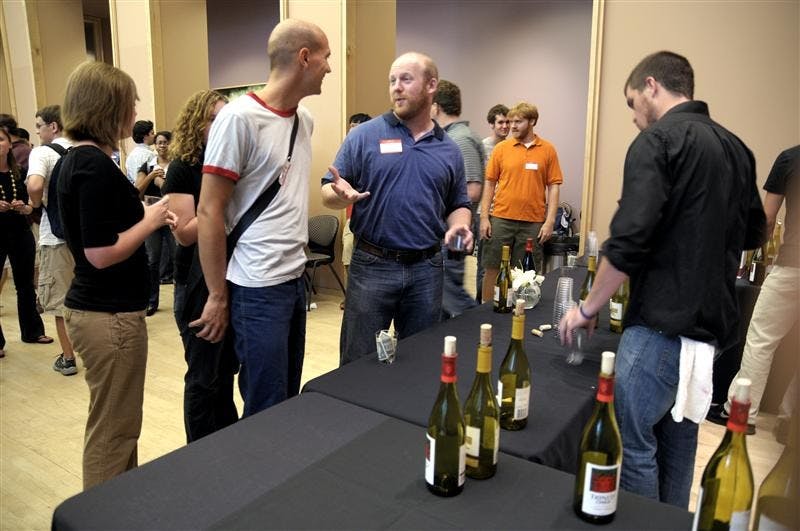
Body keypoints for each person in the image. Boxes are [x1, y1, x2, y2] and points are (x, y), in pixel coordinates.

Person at [559, 51, 766, 508]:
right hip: (708, 333)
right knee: (679, 446)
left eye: (633, 104)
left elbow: (629, 238)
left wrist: (587, 307)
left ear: (651, 86)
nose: (634, 119)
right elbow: (754, 231)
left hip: (660, 326)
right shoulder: (736, 147)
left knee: (632, 444)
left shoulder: (658, 141)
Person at [193, 19, 331, 418]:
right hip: (256, 287)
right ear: (304, 57)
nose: (329, 67)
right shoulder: (238, 119)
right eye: (326, 57)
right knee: (265, 403)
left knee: (287, 395)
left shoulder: (303, 120)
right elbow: (209, 209)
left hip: (293, 279)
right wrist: (218, 296)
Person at [57, 61, 177, 489]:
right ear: (109, 106)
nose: (135, 111)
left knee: (119, 424)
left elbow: (101, 231)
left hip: (103, 312)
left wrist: (141, 216)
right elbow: (100, 254)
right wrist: (152, 219)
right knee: (114, 430)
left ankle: (119, 506)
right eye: (130, 102)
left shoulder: (79, 161)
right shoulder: (91, 164)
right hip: (109, 317)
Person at [321, 51, 472, 365]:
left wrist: (460, 224)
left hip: (427, 269)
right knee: (357, 361)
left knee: (420, 360)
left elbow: (458, 202)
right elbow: (327, 190)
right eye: (392, 81)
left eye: (406, 79)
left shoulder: (449, 149)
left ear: (432, 85)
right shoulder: (364, 136)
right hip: (372, 266)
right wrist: (340, 196)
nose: (396, 87)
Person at [162, 89, 238, 442]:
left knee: (224, 374)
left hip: (228, 278)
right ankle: (199, 453)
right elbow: (185, 235)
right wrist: (220, 206)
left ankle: (226, 444)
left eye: (225, 118)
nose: (220, 125)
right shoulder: (182, 167)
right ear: (196, 123)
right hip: (194, 285)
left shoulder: (232, 163)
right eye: (212, 119)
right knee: (203, 376)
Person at [707, 145, 799, 436]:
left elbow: (767, 220)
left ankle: (740, 412)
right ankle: (789, 422)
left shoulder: (790, 158)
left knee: (761, 339)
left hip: (793, 265)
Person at [480, 101, 563, 302]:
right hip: (501, 218)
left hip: (532, 223)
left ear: (532, 121)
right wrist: (484, 217)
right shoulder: (502, 149)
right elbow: (489, 184)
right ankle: (485, 310)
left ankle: (520, 311)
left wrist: (550, 220)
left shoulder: (548, 150)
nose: (512, 126)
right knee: (493, 266)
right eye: (510, 121)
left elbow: (554, 186)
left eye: (518, 121)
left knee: (527, 271)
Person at [25, 105, 78, 374]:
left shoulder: (42, 153)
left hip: (55, 237)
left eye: (39, 126)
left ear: (53, 127)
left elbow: (34, 186)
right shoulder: (86, 148)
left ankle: (68, 357)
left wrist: (36, 203)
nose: (37, 131)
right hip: (87, 238)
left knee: (60, 301)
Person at [431, 79, 483, 318]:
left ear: (435, 106)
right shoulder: (451, 136)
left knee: (450, 293)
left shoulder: (459, 140)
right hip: (448, 230)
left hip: (455, 230)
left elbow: (472, 190)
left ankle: (479, 329)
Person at [0, 125, 52, 346]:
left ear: (9, 144)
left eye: (1, 139)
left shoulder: (18, 172)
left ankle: (32, 331)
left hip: (19, 231)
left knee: (25, 284)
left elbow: (33, 206)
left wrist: (26, 208)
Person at [136, 130, 174, 316]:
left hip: (174, 215)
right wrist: (151, 177)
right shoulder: (147, 165)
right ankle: (152, 301)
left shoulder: (178, 164)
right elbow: (136, 191)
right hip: (152, 217)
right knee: (152, 259)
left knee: (178, 256)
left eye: (166, 142)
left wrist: (164, 181)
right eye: (159, 142)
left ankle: (183, 299)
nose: (162, 146)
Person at [340, 112, 372, 311]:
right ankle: (350, 296)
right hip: (353, 217)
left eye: (358, 126)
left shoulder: (373, 151)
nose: (354, 130)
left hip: (373, 219)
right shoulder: (347, 153)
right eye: (351, 126)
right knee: (348, 254)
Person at [125, 120, 155, 184]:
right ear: (145, 136)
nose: (154, 136)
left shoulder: (130, 155)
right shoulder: (150, 155)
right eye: (152, 133)